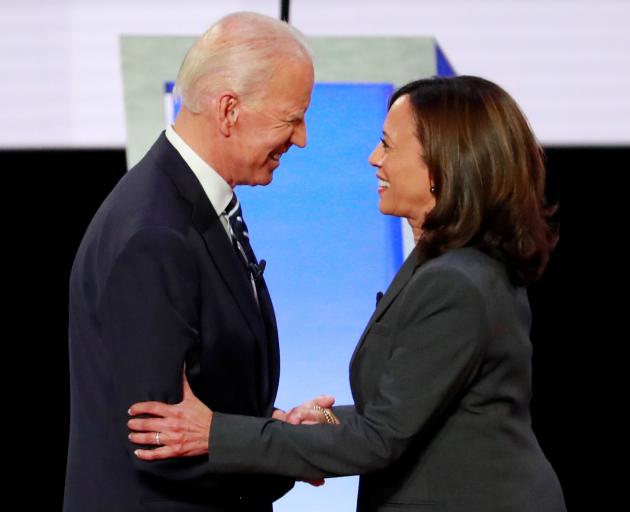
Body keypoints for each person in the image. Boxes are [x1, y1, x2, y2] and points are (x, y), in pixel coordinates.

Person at [128, 75, 567, 511]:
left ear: (443, 165)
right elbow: (411, 410)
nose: (376, 158)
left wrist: (214, 434)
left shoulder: (455, 282)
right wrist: (320, 422)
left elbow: (381, 438)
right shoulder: (445, 263)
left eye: (389, 145)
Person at [64, 12, 320, 512]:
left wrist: (272, 430)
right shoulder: (157, 234)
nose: (302, 138)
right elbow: (160, 445)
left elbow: (212, 401)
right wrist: (286, 451)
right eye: (292, 118)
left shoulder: (194, 204)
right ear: (229, 110)